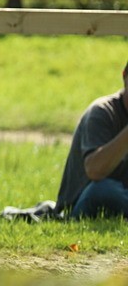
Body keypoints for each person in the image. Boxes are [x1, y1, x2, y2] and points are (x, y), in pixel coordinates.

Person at [54, 60, 128, 218]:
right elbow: (95, 171)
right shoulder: (102, 112)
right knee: (103, 189)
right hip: (83, 203)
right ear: (124, 76)